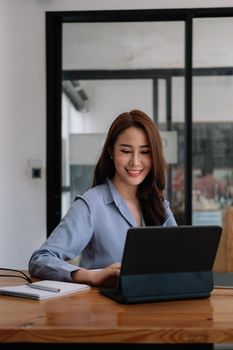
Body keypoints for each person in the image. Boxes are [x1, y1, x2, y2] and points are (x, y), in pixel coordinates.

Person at [28, 109, 177, 287]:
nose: (135, 162)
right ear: (111, 151)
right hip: (105, 310)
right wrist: (90, 276)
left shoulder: (159, 205)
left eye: (145, 152)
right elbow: (40, 260)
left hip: (154, 305)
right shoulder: (91, 204)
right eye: (126, 151)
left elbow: (178, 262)